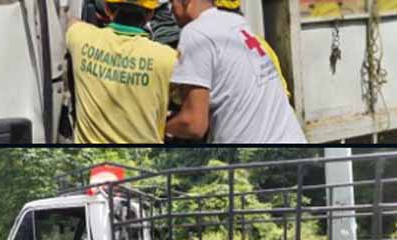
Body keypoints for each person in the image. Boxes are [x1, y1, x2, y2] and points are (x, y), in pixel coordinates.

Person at [165, 0, 306, 143]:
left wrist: (161, 128)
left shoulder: (195, 33)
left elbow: (193, 125)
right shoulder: (236, 22)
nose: (170, 10)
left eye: (172, 2)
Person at [64, 0, 178, 143]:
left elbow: (70, 21)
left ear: (107, 8)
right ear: (151, 13)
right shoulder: (169, 59)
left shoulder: (81, 38)